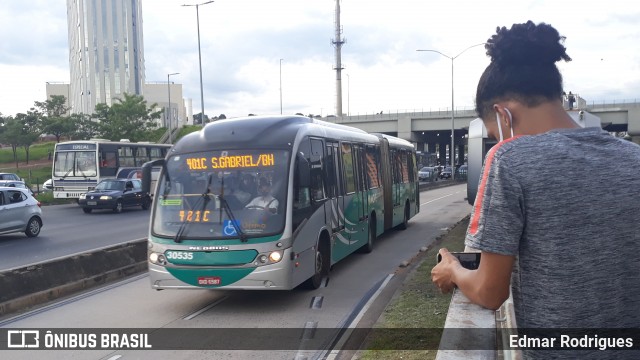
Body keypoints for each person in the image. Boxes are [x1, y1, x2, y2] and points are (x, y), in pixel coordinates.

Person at [431, 21, 640, 359]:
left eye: (494, 134)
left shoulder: (510, 159)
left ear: (503, 115)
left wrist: (452, 269)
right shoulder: (634, 157)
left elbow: (489, 291)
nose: (497, 143)